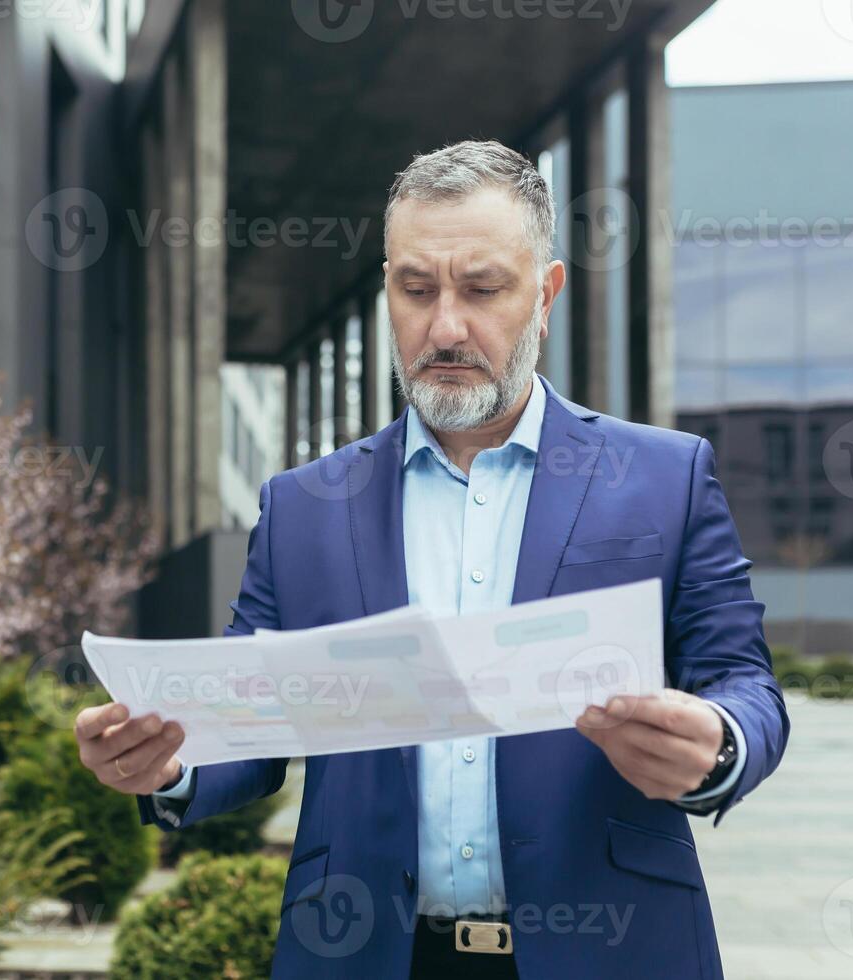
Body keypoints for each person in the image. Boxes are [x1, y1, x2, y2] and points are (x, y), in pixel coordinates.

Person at [72, 140, 789, 979]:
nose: (445, 326)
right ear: (388, 292)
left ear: (546, 293)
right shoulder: (304, 506)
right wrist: (168, 760)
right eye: (416, 290)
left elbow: (745, 683)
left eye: (482, 289)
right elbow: (254, 720)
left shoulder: (666, 476)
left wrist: (721, 742)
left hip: (614, 951)